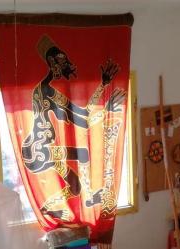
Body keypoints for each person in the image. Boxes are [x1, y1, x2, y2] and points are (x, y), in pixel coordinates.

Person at [19, 34, 125, 222]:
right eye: (62, 61)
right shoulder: (44, 91)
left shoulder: (48, 91)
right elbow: (84, 120)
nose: (66, 65)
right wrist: (105, 108)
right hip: (37, 151)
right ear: (52, 63)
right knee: (82, 153)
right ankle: (89, 197)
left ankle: (47, 208)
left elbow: (83, 116)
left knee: (75, 187)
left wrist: (102, 85)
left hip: (43, 150)